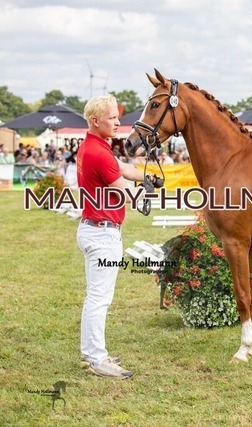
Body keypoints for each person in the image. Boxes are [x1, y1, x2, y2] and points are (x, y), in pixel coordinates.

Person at [76, 94, 159, 379]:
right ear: (95, 120)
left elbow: (122, 169)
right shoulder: (98, 152)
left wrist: (147, 176)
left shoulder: (94, 146)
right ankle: (96, 359)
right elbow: (124, 190)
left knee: (96, 297)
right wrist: (146, 191)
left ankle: (92, 353)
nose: (117, 122)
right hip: (102, 233)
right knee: (99, 299)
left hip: (95, 229)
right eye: (112, 117)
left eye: (117, 116)